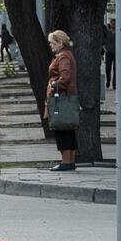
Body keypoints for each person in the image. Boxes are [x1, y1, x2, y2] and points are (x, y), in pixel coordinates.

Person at [45, 30, 78, 172]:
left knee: (62, 129)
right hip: (65, 96)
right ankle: (69, 161)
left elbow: (65, 77)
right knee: (67, 129)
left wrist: (54, 84)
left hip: (61, 98)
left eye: (52, 43)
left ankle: (66, 161)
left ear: (60, 43)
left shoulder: (63, 56)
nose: (51, 45)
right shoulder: (65, 55)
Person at [103, 19, 116, 89]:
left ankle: (115, 84)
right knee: (108, 68)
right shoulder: (107, 31)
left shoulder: (118, 31)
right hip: (108, 52)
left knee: (116, 69)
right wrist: (105, 48)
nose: (113, 25)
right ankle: (108, 80)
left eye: (114, 24)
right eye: (112, 23)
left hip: (117, 52)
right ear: (110, 24)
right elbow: (103, 40)